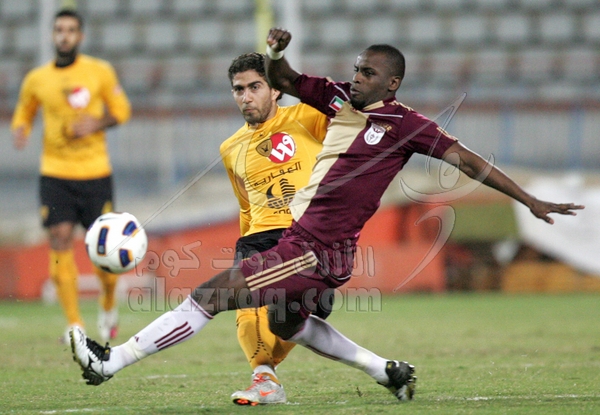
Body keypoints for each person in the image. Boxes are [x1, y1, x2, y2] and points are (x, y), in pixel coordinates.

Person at [69, 27, 583, 403]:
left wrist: (530, 199)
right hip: (309, 244)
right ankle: (385, 371)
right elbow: (286, 78)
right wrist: (275, 53)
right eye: (357, 68)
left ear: (392, 83)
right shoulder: (338, 99)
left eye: (368, 73)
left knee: (211, 295)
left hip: (313, 251)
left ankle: (109, 362)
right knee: (288, 324)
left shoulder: (407, 126)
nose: (356, 78)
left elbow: (468, 161)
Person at [11, 9, 131, 343]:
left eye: (70, 30)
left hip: (95, 173)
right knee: (59, 236)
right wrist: (21, 128)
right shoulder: (37, 79)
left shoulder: (99, 71)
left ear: (80, 36)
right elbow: (25, 109)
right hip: (55, 173)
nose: (64, 35)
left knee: (102, 249)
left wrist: (96, 123)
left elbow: (122, 110)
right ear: (53, 35)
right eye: (59, 30)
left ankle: (108, 304)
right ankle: (74, 323)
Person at [222, 52, 328, 405]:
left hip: (310, 237)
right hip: (260, 236)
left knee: (297, 317)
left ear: (275, 90)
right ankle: (264, 379)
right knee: (244, 298)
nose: (246, 96)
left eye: (255, 86)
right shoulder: (230, 148)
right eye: (239, 89)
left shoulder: (308, 117)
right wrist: (243, 247)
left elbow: (349, 115)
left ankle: (265, 376)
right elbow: (245, 206)